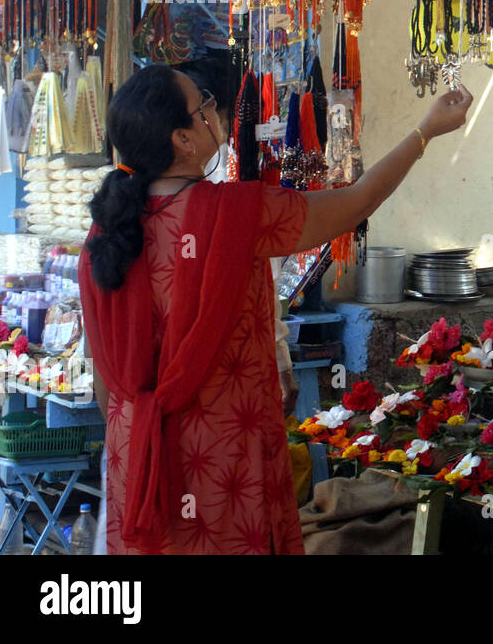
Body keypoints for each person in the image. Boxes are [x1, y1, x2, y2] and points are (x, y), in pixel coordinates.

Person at [79, 64, 472, 554]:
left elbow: (103, 386)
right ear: (183, 139)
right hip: (222, 455)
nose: (213, 111)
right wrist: (425, 131)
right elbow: (356, 201)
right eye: (202, 105)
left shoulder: (105, 233)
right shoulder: (238, 214)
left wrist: (143, 429)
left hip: (135, 452)